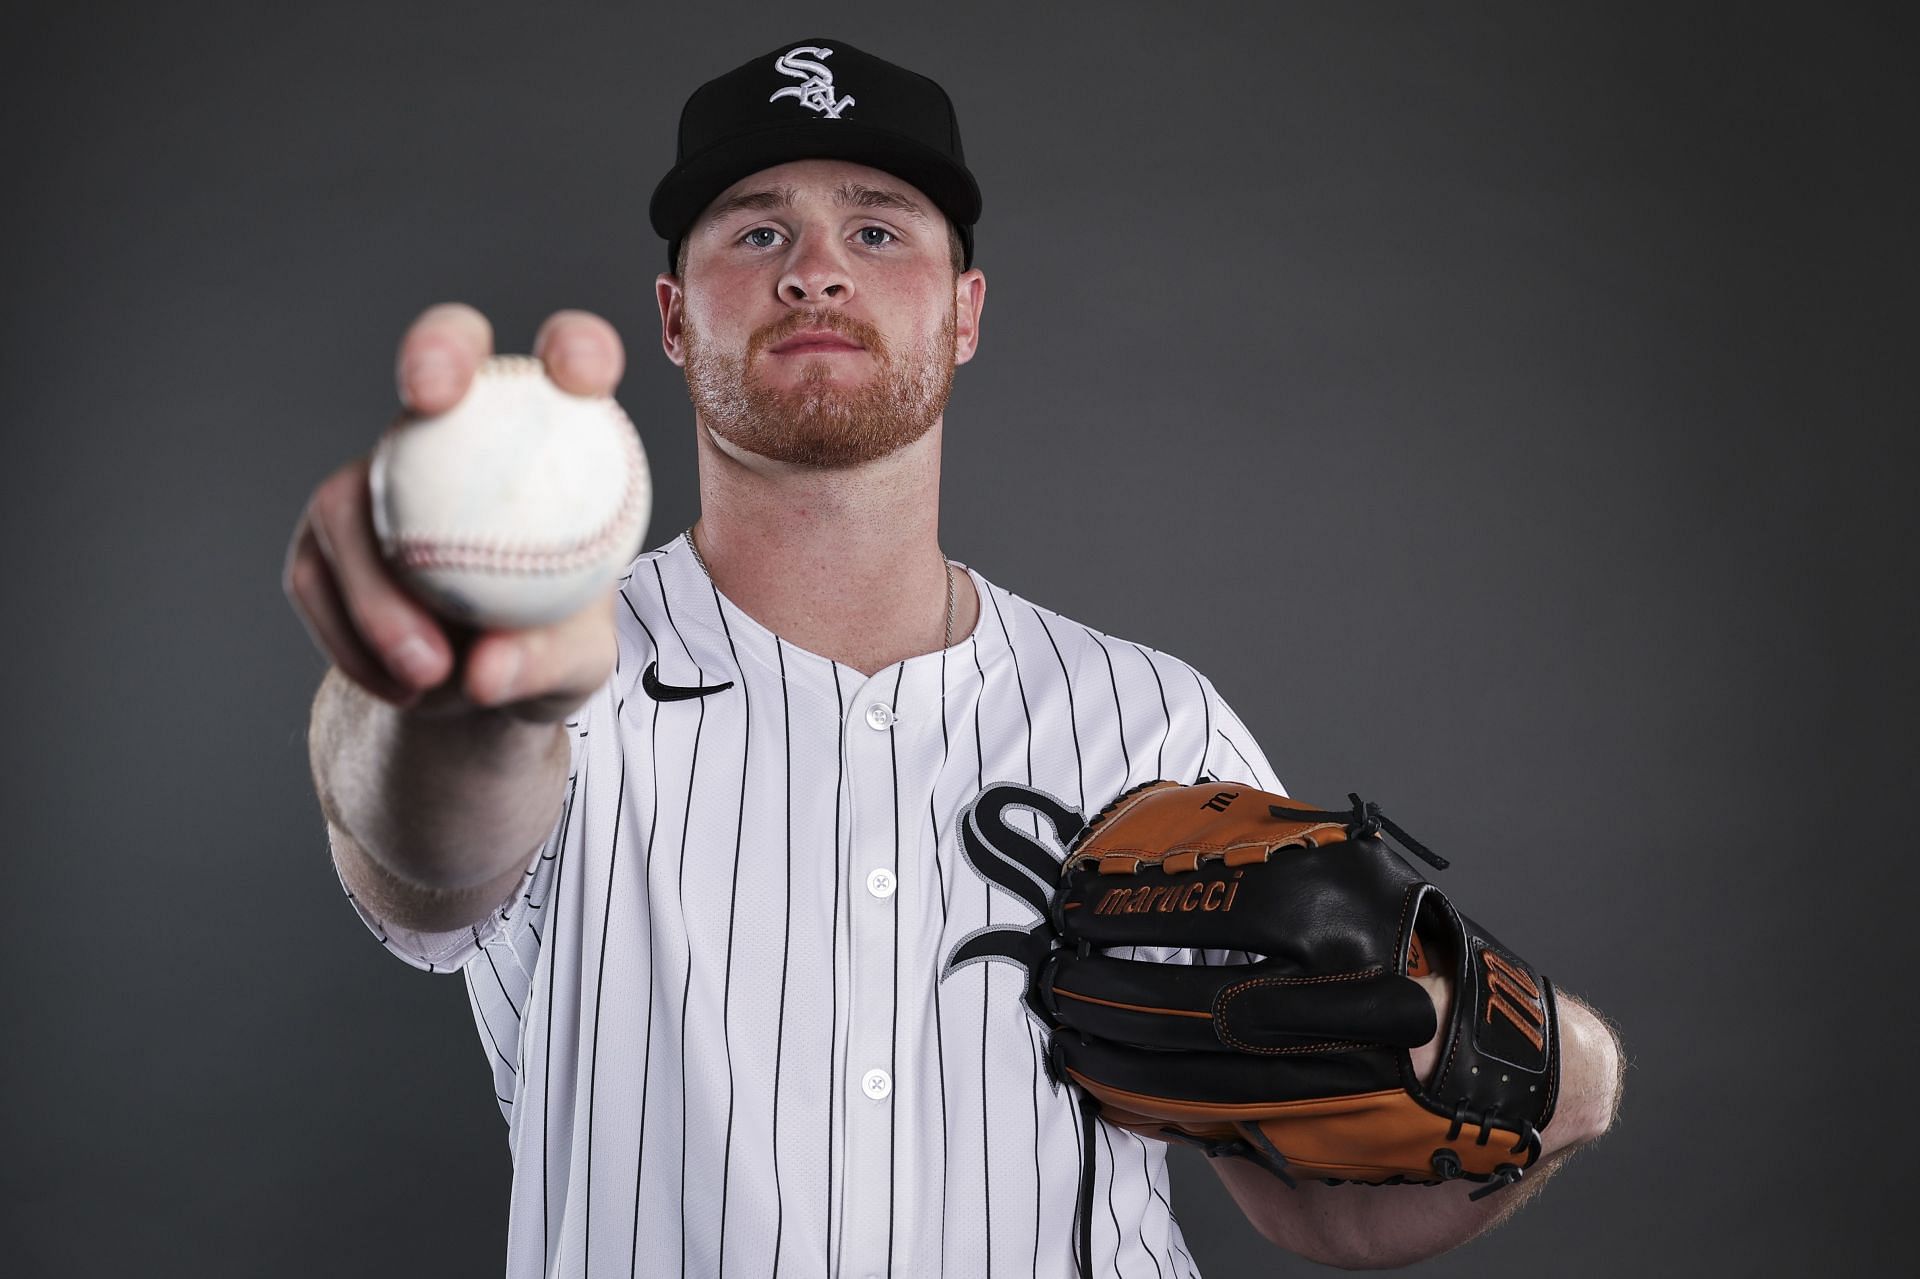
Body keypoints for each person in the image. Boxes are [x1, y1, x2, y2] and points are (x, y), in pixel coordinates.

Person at [285, 37, 1622, 1278]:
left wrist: (1568, 1083)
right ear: (675, 316)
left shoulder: (1152, 722)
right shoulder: (556, 678)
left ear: (965, 311)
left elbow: (1319, 1199)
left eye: (877, 229)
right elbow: (421, 858)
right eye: (758, 232)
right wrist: (433, 697)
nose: (817, 268)